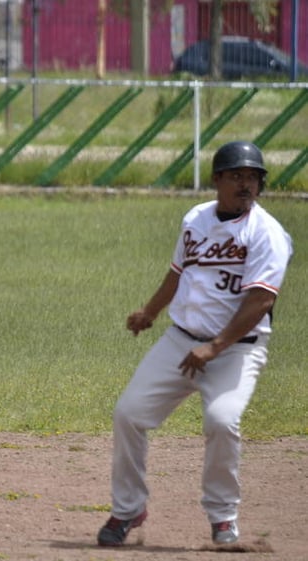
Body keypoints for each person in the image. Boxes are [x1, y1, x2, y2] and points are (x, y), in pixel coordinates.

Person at [96, 141, 292, 547]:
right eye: (237, 175)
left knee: (222, 421)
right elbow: (177, 273)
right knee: (128, 414)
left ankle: (223, 518)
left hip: (236, 349)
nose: (246, 184)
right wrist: (149, 313)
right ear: (217, 180)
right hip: (180, 341)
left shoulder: (268, 233)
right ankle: (129, 509)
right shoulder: (196, 219)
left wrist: (216, 347)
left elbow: (261, 301)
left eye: (253, 177)